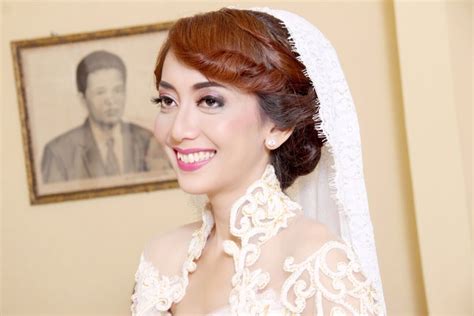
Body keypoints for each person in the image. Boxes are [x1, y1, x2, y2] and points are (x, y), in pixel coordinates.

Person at [131, 7, 386, 315]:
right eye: (168, 101)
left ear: (278, 127)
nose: (178, 130)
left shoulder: (317, 264)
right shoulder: (161, 259)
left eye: (210, 101)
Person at [41, 50, 169, 183]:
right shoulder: (58, 153)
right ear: (83, 99)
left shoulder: (148, 140)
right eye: (100, 92)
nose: (111, 100)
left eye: (117, 90)